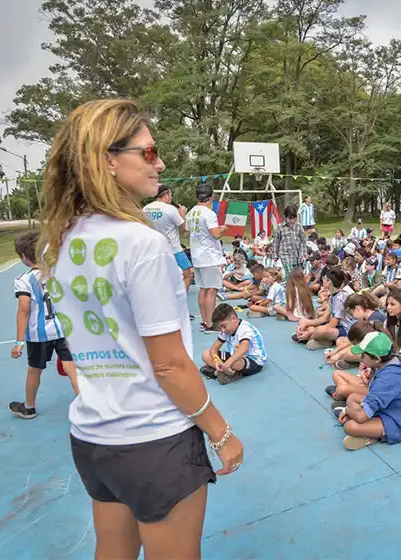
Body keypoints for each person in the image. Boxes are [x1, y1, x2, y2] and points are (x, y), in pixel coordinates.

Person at [40, 99, 241, 558]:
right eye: (148, 153)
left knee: (112, 550)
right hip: (155, 439)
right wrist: (221, 433)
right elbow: (169, 365)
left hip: (94, 435)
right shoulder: (142, 244)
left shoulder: (63, 240)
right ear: (108, 159)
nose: (161, 163)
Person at [9, 231, 80, 418]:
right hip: (62, 329)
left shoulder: (23, 280)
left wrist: (19, 342)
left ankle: (29, 407)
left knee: (35, 369)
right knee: (71, 368)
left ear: (24, 257)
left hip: (38, 334)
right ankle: (88, 405)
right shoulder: (55, 272)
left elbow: (24, 309)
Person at [337, 331, 401, 450]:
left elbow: (361, 417)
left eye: (364, 355)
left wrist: (346, 410)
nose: (361, 358)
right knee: (352, 397)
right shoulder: (394, 361)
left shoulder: (387, 380)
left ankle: (373, 436)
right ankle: (371, 427)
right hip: (400, 409)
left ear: (377, 359)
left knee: (350, 426)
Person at [187, 184, 227, 333]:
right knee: (211, 290)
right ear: (211, 197)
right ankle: (210, 323)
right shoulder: (208, 213)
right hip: (210, 256)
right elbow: (215, 234)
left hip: (197, 255)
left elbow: (187, 231)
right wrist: (223, 229)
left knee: (203, 289)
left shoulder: (191, 212)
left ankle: (205, 321)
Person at [200, 304, 267, 385]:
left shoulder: (245, 328)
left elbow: (244, 348)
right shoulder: (226, 330)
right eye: (220, 327)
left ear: (233, 318)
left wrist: (227, 363)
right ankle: (226, 371)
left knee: (235, 362)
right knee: (206, 354)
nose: (222, 330)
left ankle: (222, 372)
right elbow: (214, 348)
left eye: (224, 326)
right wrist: (216, 360)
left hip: (254, 361)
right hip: (235, 357)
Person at [143, 184, 191, 290]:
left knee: (159, 277)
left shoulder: (146, 208)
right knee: (186, 275)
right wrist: (183, 214)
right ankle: (180, 302)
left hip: (154, 249)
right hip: (173, 249)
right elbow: (185, 229)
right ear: (166, 195)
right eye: (171, 195)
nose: (171, 198)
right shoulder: (170, 209)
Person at [271, 204, 307, 277]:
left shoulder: (298, 226)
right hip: (285, 255)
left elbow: (303, 241)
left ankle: (296, 287)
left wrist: (303, 254)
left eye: (294, 218)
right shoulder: (280, 227)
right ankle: (289, 287)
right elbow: (276, 242)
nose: (292, 221)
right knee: (289, 274)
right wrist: (275, 255)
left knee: (298, 274)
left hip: (297, 254)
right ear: (286, 217)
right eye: (290, 218)